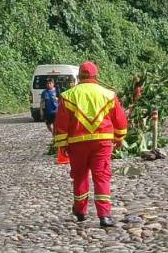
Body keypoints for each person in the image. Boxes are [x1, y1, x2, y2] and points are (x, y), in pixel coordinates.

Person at [52, 62, 128, 228]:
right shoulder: (108, 95)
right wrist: (120, 137)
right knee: (101, 176)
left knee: (79, 176)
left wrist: (62, 144)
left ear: (79, 76)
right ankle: (104, 215)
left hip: (77, 143)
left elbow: (61, 124)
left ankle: (80, 211)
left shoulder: (68, 96)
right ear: (96, 76)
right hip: (102, 142)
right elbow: (120, 119)